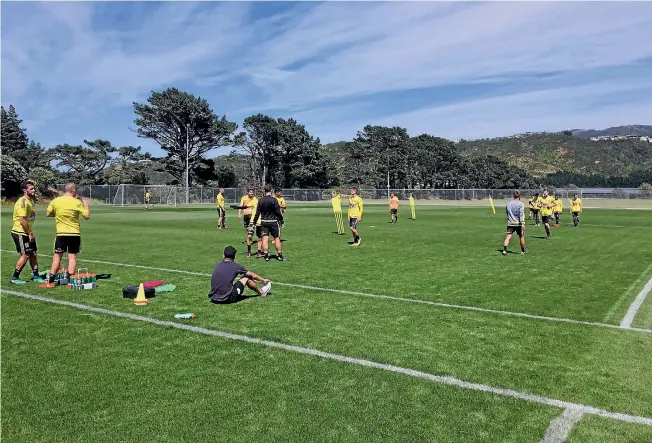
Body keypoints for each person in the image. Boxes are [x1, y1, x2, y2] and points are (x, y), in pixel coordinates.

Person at [40, 183, 91, 288]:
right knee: (72, 257)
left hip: (61, 234)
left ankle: (50, 282)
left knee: (57, 257)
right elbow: (86, 216)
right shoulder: (77, 202)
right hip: (74, 233)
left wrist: (59, 214)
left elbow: (48, 214)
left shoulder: (56, 200)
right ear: (73, 190)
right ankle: (70, 282)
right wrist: (86, 204)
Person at [10, 181, 46, 284]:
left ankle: (36, 276)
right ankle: (15, 277)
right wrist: (30, 233)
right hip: (20, 232)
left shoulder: (29, 201)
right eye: (31, 189)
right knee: (25, 254)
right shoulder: (22, 202)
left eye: (34, 189)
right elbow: (22, 220)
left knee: (33, 253)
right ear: (25, 190)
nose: (34, 190)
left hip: (27, 232)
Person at [252, 185, 285, 261]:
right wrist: (281, 221)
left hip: (264, 222)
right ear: (271, 191)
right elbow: (278, 212)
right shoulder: (274, 200)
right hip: (273, 222)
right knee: (276, 238)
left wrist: (254, 223)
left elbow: (257, 213)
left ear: (264, 191)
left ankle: (266, 255)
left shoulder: (261, 200)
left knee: (264, 239)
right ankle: (279, 255)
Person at [502, 191, 528, 255]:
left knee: (508, 236)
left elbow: (507, 212)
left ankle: (505, 250)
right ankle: (523, 250)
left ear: (513, 195)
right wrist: (523, 223)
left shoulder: (508, 204)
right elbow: (521, 214)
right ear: (519, 196)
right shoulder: (521, 204)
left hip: (510, 223)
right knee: (521, 236)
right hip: (518, 223)